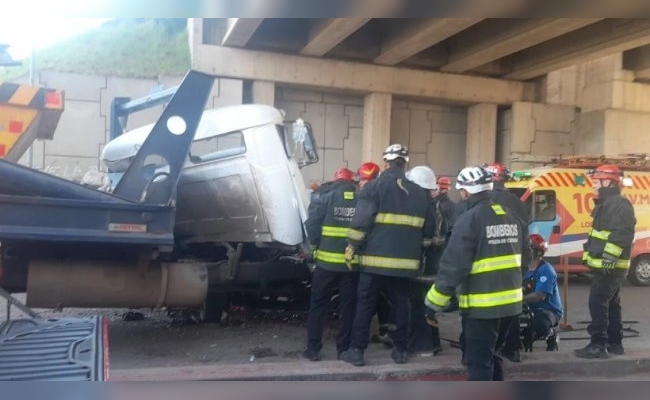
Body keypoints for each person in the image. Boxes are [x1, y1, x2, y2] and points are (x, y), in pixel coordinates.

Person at [425, 165, 523, 381]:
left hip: (482, 308)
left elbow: (453, 267)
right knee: (493, 357)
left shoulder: (468, 221)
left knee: (478, 364)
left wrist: (433, 303)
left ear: (466, 192)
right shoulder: (510, 217)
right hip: (510, 306)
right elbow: (525, 260)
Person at [340, 144, 435, 366]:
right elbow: (428, 231)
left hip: (373, 263)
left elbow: (361, 221)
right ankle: (400, 351)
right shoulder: (419, 194)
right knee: (401, 305)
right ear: (405, 163)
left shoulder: (374, 188)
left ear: (386, 162)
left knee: (364, 304)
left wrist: (352, 246)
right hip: (405, 265)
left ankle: (357, 351)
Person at [575, 164, 636, 359]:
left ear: (608, 182)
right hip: (606, 266)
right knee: (611, 304)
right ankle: (614, 343)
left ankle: (598, 345)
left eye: (595, 182)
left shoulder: (620, 205)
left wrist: (609, 258)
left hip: (610, 267)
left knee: (597, 302)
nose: (593, 186)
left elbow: (622, 235)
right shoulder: (606, 205)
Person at [303, 168, 359, 361]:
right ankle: (343, 349)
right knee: (348, 307)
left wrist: (315, 247)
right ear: (352, 182)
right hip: (350, 265)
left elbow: (312, 225)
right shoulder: (361, 200)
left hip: (325, 263)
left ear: (335, 181)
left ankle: (313, 349)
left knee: (318, 305)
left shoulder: (324, 197)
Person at [501, 234, 563, 362]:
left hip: (547, 310)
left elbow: (540, 296)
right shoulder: (521, 268)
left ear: (535, 252)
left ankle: (551, 335)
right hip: (526, 307)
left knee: (538, 324)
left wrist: (519, 299)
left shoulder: (546, 270)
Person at [405, 166, 442, 356]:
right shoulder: (433, 206)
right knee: (427, 306)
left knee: (418, 306)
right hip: (432, 266)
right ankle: (433, 343)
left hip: (423, 266)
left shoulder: (423, 208)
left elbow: (426, 239)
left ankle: (423, 346)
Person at [484, 162, 531, 275]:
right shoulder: (518, 203)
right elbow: (525, 238)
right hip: (513, 268)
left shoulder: (481, 200)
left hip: (485, 268)